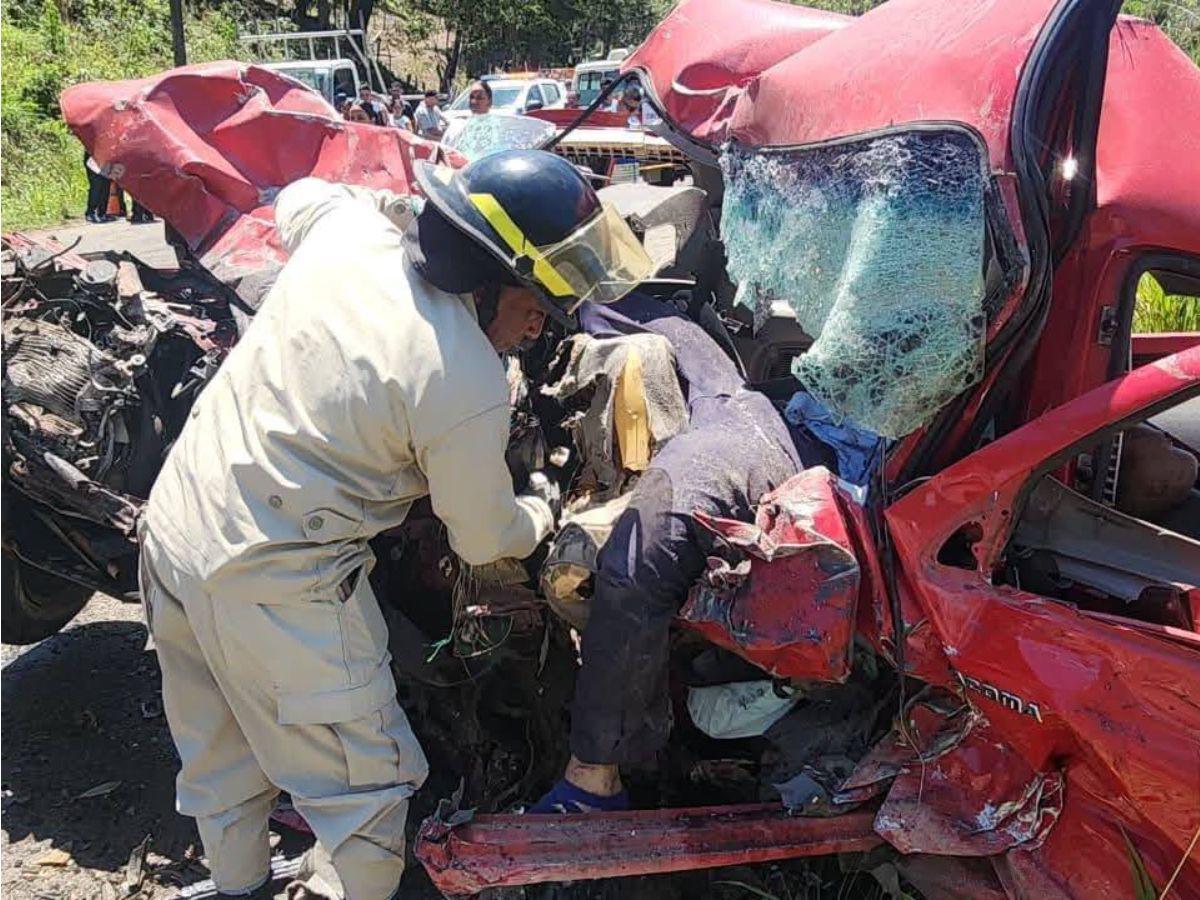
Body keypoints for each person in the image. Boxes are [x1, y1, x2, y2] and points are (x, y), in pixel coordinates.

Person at [137, 149, 652, 899]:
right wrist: (542, 507)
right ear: (482, 279)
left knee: (222, 757)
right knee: (368, 799)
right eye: (535, 299)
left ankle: (238, 886)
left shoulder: (348, 235)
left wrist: (386, 204)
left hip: (178, 529)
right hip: (277, 577)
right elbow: (483, 538)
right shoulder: (463, 376)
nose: (543, 322)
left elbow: (299, 196)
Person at [530, 292, 803, 813]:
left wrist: (593, 760)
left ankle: (594, 784)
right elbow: (624, 306)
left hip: (775, 445)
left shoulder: (710, 452)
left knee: (635, 561)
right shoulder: (706, 373)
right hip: (740, 410)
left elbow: (634, 571)